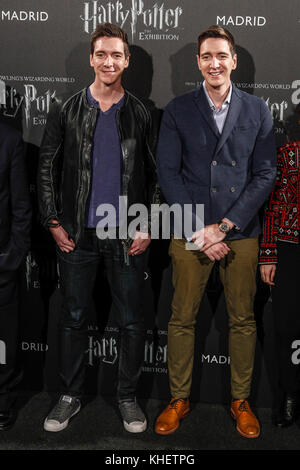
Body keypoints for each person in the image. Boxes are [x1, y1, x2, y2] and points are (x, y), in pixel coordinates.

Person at [155, 25, 276, 438]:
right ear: (198, 63)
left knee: (242, 320)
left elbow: (264, 174)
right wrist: (198, 229)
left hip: (239, 232)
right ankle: (178, 398)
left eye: (221, 56)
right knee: (181, 318)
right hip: (190, 230)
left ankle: (241, 400)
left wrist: (223, 228)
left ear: (234, 60)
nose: (214, 63)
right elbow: (168, 173)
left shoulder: (258, 109)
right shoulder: (178, 109)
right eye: (206, 56)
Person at [38, 23, 158, 433]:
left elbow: (158, 176)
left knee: (130, 321)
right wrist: (53, 220)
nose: (110, 61)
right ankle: (68, 396)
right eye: (102, 54)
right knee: (72, 317)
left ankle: (127, 397)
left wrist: (149, 225)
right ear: (92, 59)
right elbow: (47, 168)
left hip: (126, 235)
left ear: (127, 61)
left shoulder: (141, 113)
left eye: (117, 55)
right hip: (77, 236)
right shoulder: (67, 109)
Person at [260, 139, 300, 427]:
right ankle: (289, 396)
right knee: (287, 327)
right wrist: (268, 253)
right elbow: (273, 205)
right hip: (289, 250)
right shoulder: (287, 153)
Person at [0, 121, 31, 430]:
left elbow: (21, 205)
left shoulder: (9, 139)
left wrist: (11, 257)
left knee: (2, 337)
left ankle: (3, 398)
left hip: (1, 262)